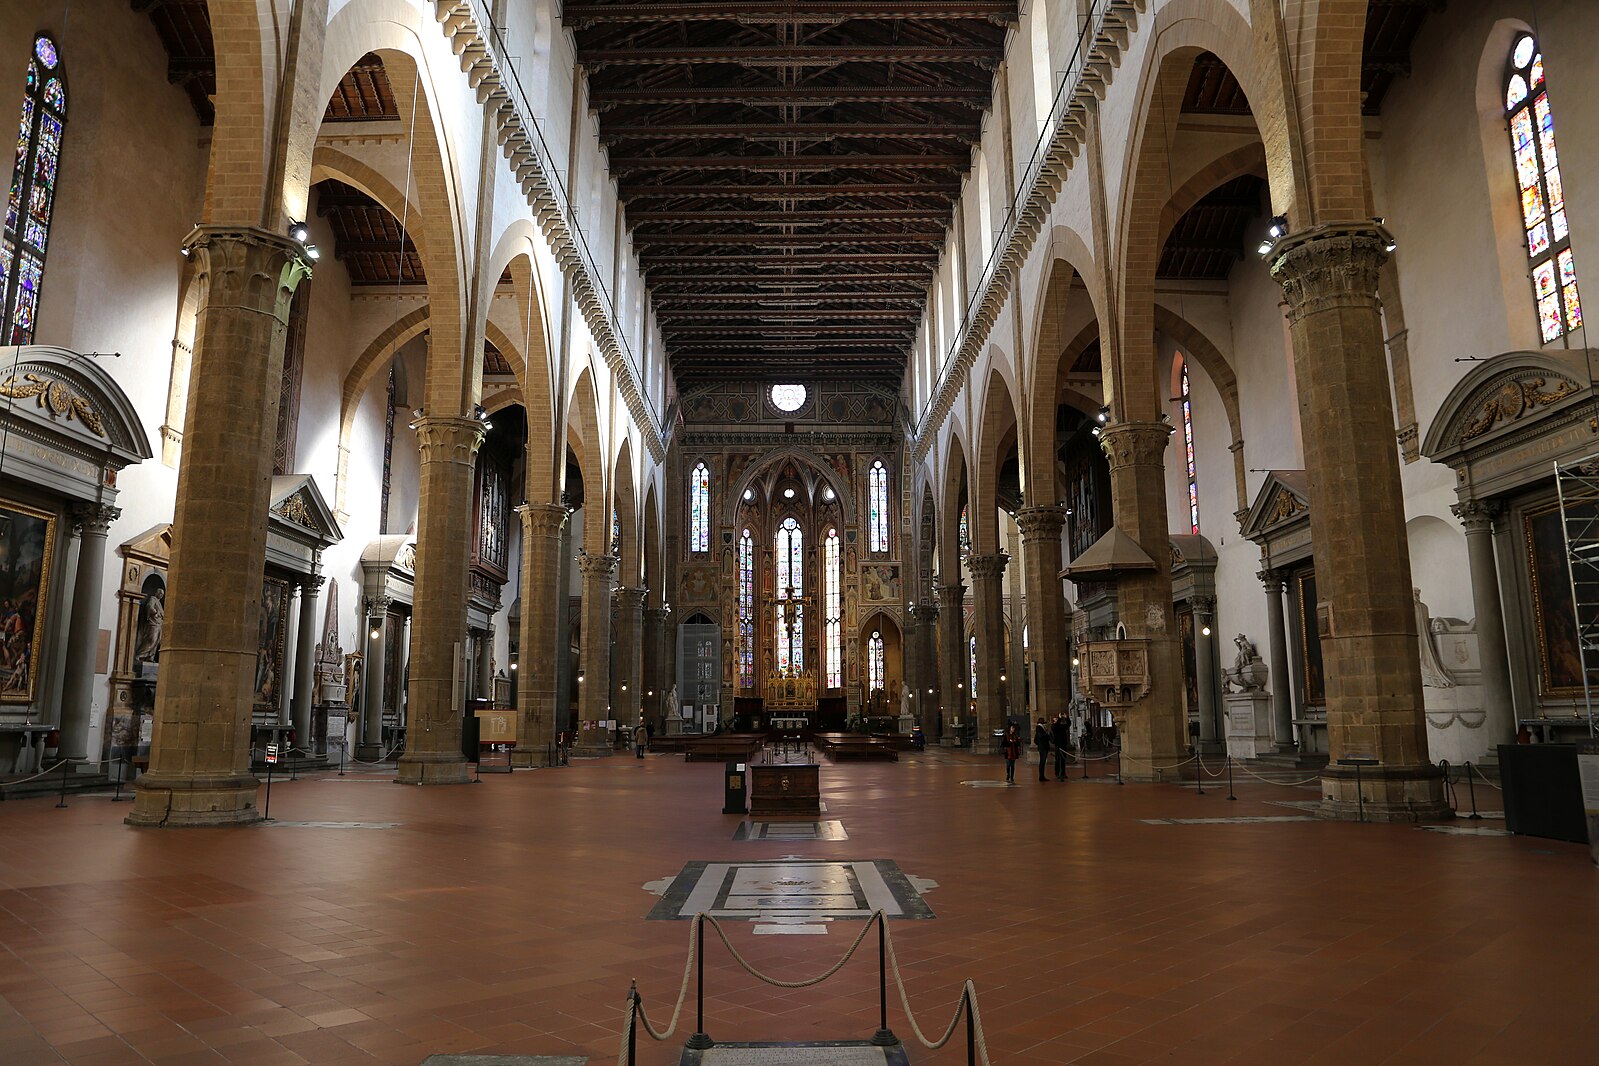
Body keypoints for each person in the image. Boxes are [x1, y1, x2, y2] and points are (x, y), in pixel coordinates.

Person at [1052, 714, 1072, 780]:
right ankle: (1057, 773)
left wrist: (1066, 718)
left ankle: (1063, 773)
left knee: (1063, 760)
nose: (1057, 720)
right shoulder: (1054, 727)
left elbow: (1068, 724)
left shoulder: (1061, 726)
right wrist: (1060, 718)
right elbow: (1057, 725)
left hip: (1063, 745)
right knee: (1058, 760)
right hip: (1058, 745)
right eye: (1055, 719)